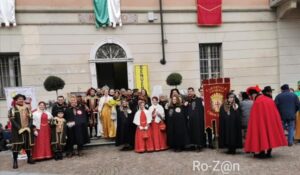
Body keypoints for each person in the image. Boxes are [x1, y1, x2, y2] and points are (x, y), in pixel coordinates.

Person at [244, 86, 287, 158]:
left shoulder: (258, 101)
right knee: (269, 134)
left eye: (251, 96)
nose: (251, 98)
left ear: (253, 95)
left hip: (261, 123)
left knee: (262, 134)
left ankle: (262, 152)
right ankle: (269, 152)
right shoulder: (269, 99)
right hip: (271, 122)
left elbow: (255, 117)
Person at [8, 94, 35, 169]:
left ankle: (29, 159)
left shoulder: (27, 108)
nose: (21, 100)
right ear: (16, 100)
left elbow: (31, 118)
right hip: (17, 131)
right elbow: (12, 120)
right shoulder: (13, 109)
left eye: (22, 99)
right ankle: (15, 161)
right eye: (19, 99)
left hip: (27, 129)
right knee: (16, 146)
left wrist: (29, 126)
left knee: (27, 145)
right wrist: (19, 128)